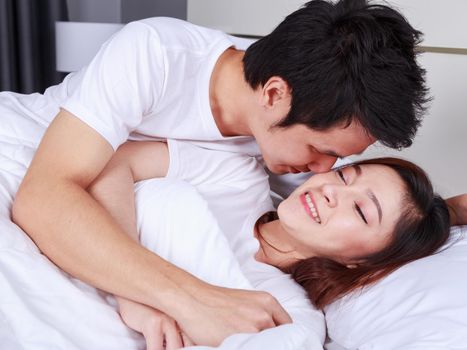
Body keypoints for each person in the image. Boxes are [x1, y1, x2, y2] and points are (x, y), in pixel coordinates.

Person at [5, 0, 465, 345]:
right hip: (38, 152)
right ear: (272, 95)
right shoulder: (157, 55)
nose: (325, 174)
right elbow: (46, 195)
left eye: (342, 164)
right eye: (322, 153)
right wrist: (178, 299)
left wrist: (446, 213)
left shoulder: (287, 147)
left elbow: (389, 222)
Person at [88, 139, 451, 348]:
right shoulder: (237, 177)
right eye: (344, 176)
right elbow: (114, 161)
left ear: (362, 262)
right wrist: (132, 294)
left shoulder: (289, 318)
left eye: (359, 209)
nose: (331, 192)